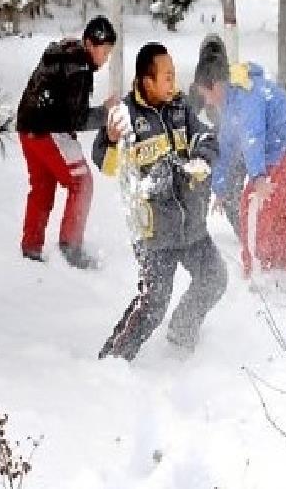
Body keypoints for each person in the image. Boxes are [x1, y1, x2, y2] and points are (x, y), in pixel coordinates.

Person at [93, 43, 227, 360]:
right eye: (166, 77)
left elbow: (206, 137)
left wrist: (202, 161)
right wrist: (111, 140)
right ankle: (113, 360)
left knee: (214, 278)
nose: (173, 83)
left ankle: (181, 334)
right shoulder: (125, 117)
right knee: (154, 301)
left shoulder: (180, 107)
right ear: (146, 80)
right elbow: (107, 164)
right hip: (153, 232)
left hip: (190, 223)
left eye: (173, 75)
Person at [193, 52, 286, 276]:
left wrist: (257, 177)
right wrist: (219, 188)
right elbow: (226, 149)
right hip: (276, 155)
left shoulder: (246, 95)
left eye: (206, 94)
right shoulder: (232, 100)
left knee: (255, 212)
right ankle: (279, 268)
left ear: (216, 85)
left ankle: (258, 274)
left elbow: (252, 136)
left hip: (282, 153)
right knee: (271, 214)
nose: (207, 101)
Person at [16, 15, 119, 268]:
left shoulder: (65, 51)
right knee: (82, 182)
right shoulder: (80, 68)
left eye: (108, 53)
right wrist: (105, 112)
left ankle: (31, 248)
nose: (105, 60)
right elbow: (77, 119)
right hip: (49, 131)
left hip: (27, 127)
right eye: (103, 52)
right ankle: (71, 247)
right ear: (89, 44)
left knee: (42, 187)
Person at [188, 35, 247, 238]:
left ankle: (245, 232)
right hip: (223, 139)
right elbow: (188, 118)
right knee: (221, 187)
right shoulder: (202, 83)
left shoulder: (230, 79)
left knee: (230, 191)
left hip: (237, 140)